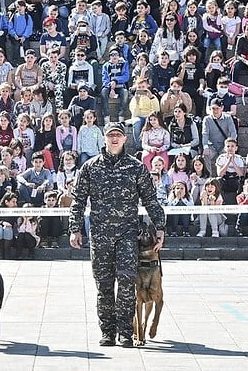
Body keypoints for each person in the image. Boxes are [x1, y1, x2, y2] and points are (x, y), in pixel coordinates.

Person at [69, 123, 166, 347]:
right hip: (100, 236)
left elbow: (151, 200)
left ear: (125, 139)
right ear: (104, 138)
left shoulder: (136, 167)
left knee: (125, 284)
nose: (114, 139)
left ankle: (125, 332)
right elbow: (78, 201)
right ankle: (107, 332)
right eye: (110, 135)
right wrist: (75, 228)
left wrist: (159, 227)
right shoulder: (90, 167)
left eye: (118, 135)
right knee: (103, 286)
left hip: (127, 236)